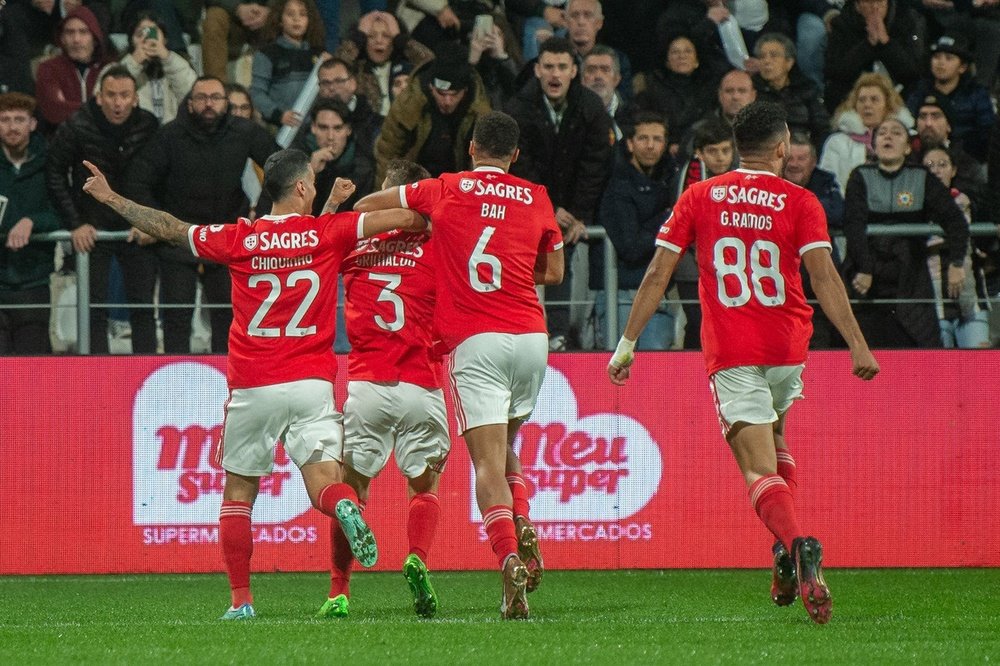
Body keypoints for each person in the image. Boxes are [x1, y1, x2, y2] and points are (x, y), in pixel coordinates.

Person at [82, 148, 429, 620]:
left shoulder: (239, 237)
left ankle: (242, 602)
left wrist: (110, 197)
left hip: (254, 385)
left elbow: (167, 226)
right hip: (311, 384)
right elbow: (406, 217)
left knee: (239, 495)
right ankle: (345, 508)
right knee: (326, 485)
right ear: (304, 187)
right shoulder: (328, 232)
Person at [608, 101, 880, 625]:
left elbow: (659, 272)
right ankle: (784, 554)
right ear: (781, 149)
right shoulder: (801, 200)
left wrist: (627, 343)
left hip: (734, 352)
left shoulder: (701, 195)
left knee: (757, 470)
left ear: (736, 148)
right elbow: (824, 278)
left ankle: (797, 543)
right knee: (777, 444)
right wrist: (858, 344)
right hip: (787, 349)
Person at [354, 110, 564, 620]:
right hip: (532, 337)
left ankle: (508, 558)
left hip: (476, 342)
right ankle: (523, 516)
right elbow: (553, 272)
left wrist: (423, 221)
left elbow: (367, 206)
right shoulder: (536, 194)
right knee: (507, 447)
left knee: (487, 462)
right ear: (515, 155)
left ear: (471, 149)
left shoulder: (444, 188)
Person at [326, 159, 447, 619]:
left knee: (351, 492)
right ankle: (417, 556)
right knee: (424, 486)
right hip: (421, 382)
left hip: (367, 384)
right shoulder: (438, 244)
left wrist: (335, 204)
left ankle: (339, 593)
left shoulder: (354, 244)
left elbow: (311, 244)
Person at [129, 76, 278, 353]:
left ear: (226, 103)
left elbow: (280, 169)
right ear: (189, 103)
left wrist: (264, 215)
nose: (208, 104)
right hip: (179, 239)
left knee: (228, 320)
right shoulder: (169, 135)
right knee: (176, 319)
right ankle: (174, 382)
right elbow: (138, 181)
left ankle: (227, 386)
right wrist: (157, 224)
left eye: (215, 98)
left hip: (228, 240)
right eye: (201, 98)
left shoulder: (245, 131)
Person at [504, 36, 612, 350]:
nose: (555, 74)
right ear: (537, 70)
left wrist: (577, 214)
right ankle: (523, 335)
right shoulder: (518, 108)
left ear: (573, 71)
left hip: (575, 210)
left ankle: (562, 335)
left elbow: (595, 166)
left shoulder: (591, 108)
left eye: (562, 67)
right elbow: (520, 163)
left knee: (562, 258)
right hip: (529, 206)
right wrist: (548, 208)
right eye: (548, 66)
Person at [46, 66, 160, 354]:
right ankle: (96, 374)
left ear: (135, 98)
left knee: (143, 307)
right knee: (93, 307)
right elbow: (55, 173)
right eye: (111, 95)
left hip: (137, 224)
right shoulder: (77, 124)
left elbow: (163, 176)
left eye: (124, 95)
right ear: (99, 97)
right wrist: (75, 224)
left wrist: (151, 221)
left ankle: (144, 369)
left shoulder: (149, 124)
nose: (118, 102)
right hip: (91, 227)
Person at [842, 117, 970, 348]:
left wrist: (957, 262)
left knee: (921, 348)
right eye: (882, 133)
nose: (888, 136)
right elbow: (853, 223)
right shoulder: (859, 176)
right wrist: (864, 267)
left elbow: (955, 221)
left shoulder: (921, 177)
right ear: (873, 144)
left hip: (910, 274)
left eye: (896, 133)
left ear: (908, 147)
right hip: (867, 275)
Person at [597, 111, 674, 349]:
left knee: (656, 379)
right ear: (629, 143)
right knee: (620, 377)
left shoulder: (670, 179)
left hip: (658, 293)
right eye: (643, 139)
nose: (650, 146)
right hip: (621, 295)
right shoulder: (616, 185)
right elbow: (631, 247)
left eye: (657, 139)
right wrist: (666, 217)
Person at [374, 42, 490, 183]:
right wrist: (382, 201)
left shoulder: (480, 113)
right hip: (415, 184)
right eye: (441, 93)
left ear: (465, 90)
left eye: (454, 94)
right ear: (431, 87)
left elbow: (488, 165)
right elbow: (387, 154)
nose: (447, 101)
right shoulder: (408, 104)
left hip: (462, 187)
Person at [0, 92, 61, 354]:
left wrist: (31, 221)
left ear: (33, 124)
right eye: (4, 119)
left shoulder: (51, 161)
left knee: (30, 370)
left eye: (19, 119)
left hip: (33, 280)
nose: (12, 126)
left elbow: (63, 211)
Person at [668, 117, 736, 350]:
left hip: (730, 260)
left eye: (726, 150)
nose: (720, 157)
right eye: (713, 151)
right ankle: (693, 369)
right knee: (698, 320)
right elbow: (684, 218)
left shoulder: (742, 173)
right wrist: (701, 249)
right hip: (691, 260)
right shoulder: (690, 174)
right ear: (699, 153)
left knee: (728, 322)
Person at [921, 146, 989, 349]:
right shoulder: (915, 207)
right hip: (932, 303)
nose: (936, 170)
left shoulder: (969, 202)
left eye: (943, 164)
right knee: (941, 372)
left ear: (954, 170)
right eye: (930, 165)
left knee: (979, 368)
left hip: (971, 300)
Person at [784, 131, 845, 348]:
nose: (795, 165)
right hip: (780, 281)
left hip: (818, 279)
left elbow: (837, 212)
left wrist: (789, 211)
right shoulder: (770, 181)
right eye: (790, 158)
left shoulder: (825, 180)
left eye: (802, 159)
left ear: (813, 161)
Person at [905, 34, 996, 164]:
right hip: (922, 156)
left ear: (962, 67)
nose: (941, 63)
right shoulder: (919, 91)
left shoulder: (976, 94)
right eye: (936, 57)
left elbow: (986, 133)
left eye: (949, 58)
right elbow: (909, 124)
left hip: (968, 159)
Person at [819, 71, 913, 194]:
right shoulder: (837, 142)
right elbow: (827, 184)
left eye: (874, 100)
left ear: (888, 105)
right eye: (862, 100)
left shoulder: (903, 139)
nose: (867, 105)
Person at [824, 0, 921, 113]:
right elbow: (835, 71)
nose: (875, 7)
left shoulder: (908, 20)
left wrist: (886, 43)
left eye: (880, 2)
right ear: (858, 5)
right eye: (869, 2)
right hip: (852, 98)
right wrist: (867, 45)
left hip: (899, 96)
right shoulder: (841, 24)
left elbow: (913, 71)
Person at [334, 10, 434, 116]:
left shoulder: (407, 66)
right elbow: (334, 68)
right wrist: (359, 36)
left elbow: (430, 62)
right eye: (371, 36)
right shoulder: (356, 68)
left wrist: (400, 38)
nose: (379, 40)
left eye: (386, 36)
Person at [250, 0, 328, 131]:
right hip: (279, 127)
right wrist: (279, 115)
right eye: (290, 14)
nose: (296, 19)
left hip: (314, 129)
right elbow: (257, 93)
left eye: (302, 14)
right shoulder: (267, 54)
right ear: (280, 20)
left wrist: (330, 67)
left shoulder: (319, 55)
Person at [35, 6, 114, 129]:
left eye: (83, 32)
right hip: (60, 141)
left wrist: (68, 106)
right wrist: (98, 109)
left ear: (95, 38)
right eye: (70, 32)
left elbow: (118, 111)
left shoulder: (109, 68)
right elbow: (53, 110)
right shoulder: (48, 68)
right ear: (62, 38)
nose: (76, 39)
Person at [293, 98, 375, 212]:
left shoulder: (363, 168)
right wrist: (310, 175)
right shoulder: (295, 159)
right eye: (323, 128)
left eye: (337, 128)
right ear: (313, 128)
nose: (330, 137)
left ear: (348, 130)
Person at [751, 32, 829, 150]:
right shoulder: (752, 89)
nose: (766, 61)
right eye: (762, 57)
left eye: (773, 56)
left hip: (800, 150)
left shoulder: (806, 88)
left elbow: (822, 126)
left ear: (789, 62)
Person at [119, 12, 197, 125]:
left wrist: (167, 58)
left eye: (152, 33)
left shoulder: (178, 65)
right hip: (137, 135)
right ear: (131, 40)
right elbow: (112, 94)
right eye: (140, 34)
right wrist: (134, 62)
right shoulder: (119, 67)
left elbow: (191, 95)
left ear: (164, 39)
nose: (146, 40)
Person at [201, 0, 269, 83]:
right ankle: (217, 88)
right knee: (214, 17)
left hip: (271, 19)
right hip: (231, 16)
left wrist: (270, 12)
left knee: (287, 17)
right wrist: (237, 8)